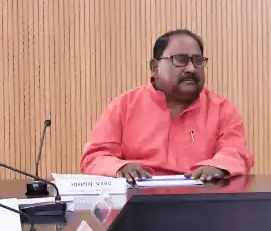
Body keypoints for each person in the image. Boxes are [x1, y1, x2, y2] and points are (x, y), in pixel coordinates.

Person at [80, 30, 254, 182]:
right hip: (137, 208)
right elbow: (94, 158)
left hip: (202, 204)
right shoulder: (124, 106)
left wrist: (217, 166)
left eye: (198, 60)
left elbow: (236, 152)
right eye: (180, 60)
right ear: (155, 68)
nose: (191, 68)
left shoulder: (221, 109)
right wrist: (120, 167)